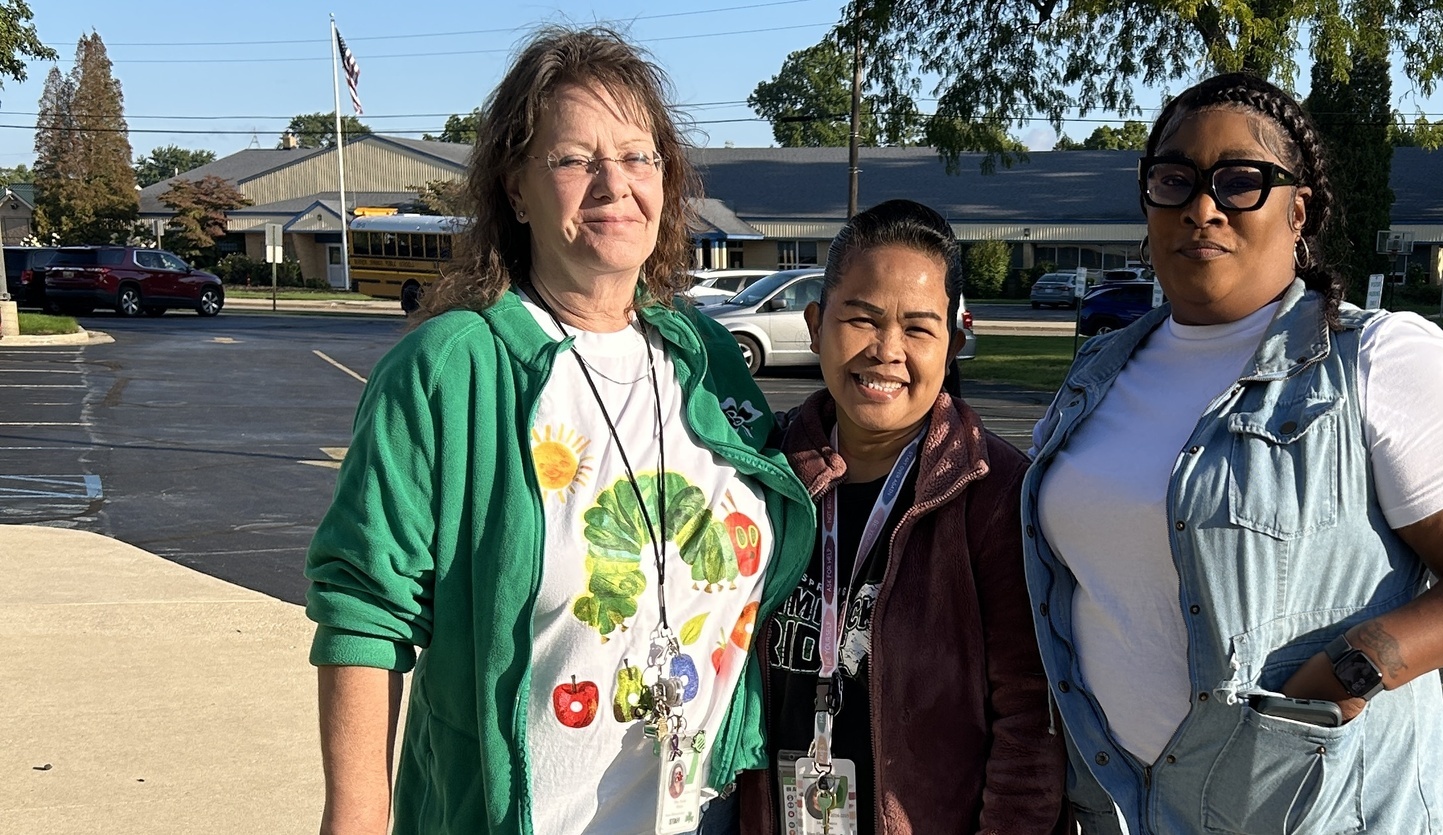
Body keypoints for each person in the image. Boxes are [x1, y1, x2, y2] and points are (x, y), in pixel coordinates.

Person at [1021, 73, 1443, 834]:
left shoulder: (1376, 360)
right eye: (1174, 179)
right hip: (1125, 808)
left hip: (1324, 814)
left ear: (1299, 210)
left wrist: (1354, 668)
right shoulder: (1099, 373)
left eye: (1240, 181)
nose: (1203, 207)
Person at [306, 27, 814, 835]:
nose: (615, 183)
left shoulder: (708, 357)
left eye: (639, 156)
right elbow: (365, 611)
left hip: (701, 816)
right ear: (515, 189)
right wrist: (357, 818)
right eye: (576, 159)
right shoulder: (450, 371)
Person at [735, 200, 1066, 835]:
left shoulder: (995, 494)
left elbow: (1029, 722)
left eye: (918, 328)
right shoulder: (760, 476)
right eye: (861, 318)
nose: (887, 350)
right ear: (815, 325)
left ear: (953, 344)